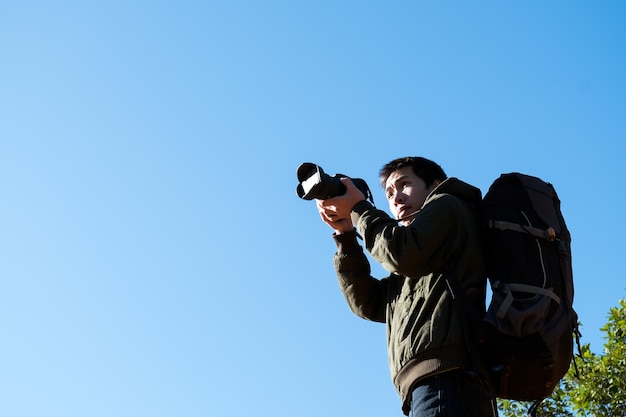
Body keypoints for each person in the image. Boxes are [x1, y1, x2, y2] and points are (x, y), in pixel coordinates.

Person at [316, 156, 498, 417]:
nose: (396, 197)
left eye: (405, 185)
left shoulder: (448, 205)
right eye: (389, 193)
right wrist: (345, 236)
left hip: (449, 377)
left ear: (435, 185)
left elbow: (400, 253)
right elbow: (368, 303)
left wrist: (358, 208)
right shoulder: (419, 260)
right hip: (426, 385)